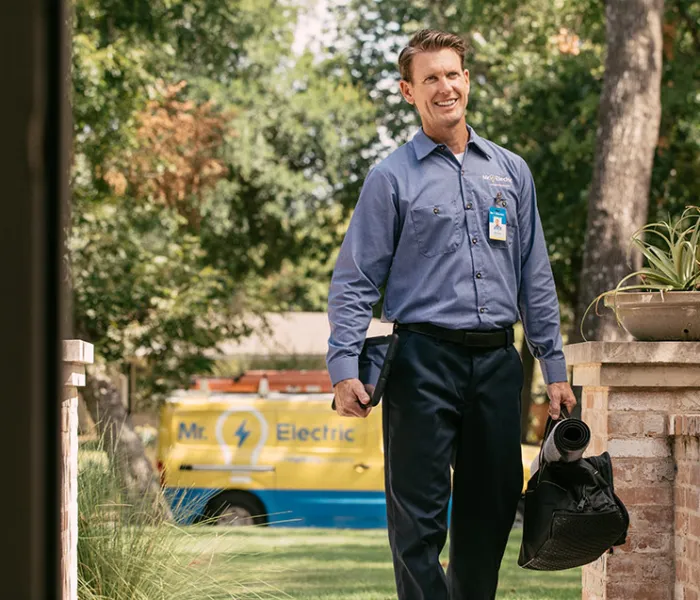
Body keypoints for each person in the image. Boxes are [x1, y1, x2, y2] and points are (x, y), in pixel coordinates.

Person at [326, 29, 577, 600]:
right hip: (421, 360)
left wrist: (554, 366)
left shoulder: (511, 172)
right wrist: (344, 365)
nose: (445, 87)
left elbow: (534, 275)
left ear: (467, 81)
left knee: (488, 516)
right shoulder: (391, 177)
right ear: (408, 91)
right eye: (430, 78)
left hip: (496, 361)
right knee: (417, 518)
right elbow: (356, 277)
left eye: (453, 74)